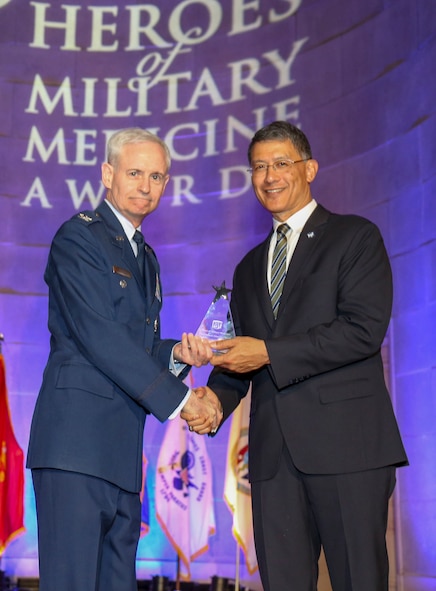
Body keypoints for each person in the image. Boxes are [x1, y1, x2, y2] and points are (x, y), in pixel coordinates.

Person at [190, 121, 408, 591]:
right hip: (271, 460)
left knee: (359, 580)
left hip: (348, 449)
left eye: (281, 164)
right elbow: (242, 359)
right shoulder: (248, 267)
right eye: (259, 167)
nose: (270, 176)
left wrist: (266, 351)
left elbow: (362, 331)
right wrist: (212, 405)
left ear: (309, 168)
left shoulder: (355, 238)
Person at [26, 127, 221, 591]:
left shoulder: (146, 257)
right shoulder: (78, 237)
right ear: (108, 174)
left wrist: (173, 353)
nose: (145, 186)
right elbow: (100, 336)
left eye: (157, 176)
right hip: (74, 448)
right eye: (135, 173)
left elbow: (134, 344)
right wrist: (182, 402)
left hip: (119, 453)